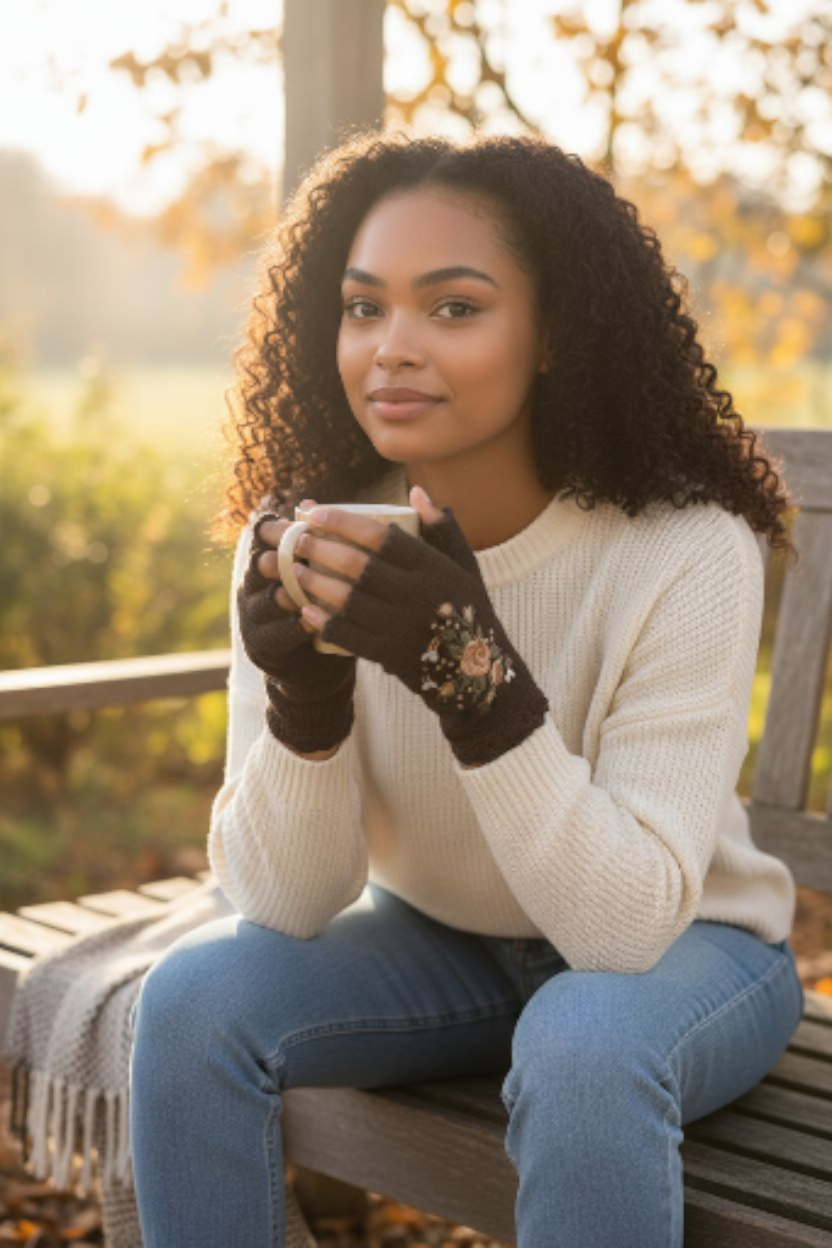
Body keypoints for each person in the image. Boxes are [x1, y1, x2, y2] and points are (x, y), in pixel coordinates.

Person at [127, 129, 804, 1247]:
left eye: (452, 308)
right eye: (362, 308)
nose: (391, 348)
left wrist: (471, 678)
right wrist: (304, 708)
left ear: (553, 335)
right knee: (192, 1002)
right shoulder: (306, 533)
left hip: (687, 949)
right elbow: (286, 903)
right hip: (440, 943)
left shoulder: (685, 548)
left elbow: (623, 930)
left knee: (583, 1041)